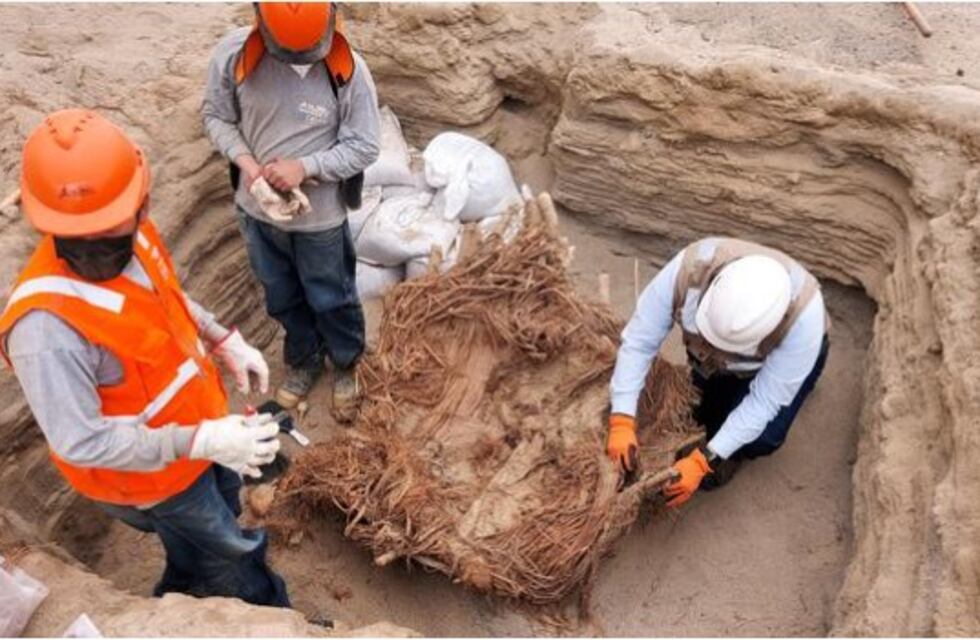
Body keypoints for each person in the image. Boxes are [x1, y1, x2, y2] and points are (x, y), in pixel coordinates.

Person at [0, 109, 290, 607]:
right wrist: (200, 439)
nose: (101, 248)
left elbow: (164, 296)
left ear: (140, 201)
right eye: (81, 235)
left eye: (111, 228)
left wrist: (223, 339)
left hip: (197, 434)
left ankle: (183, 588)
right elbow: (82, 442)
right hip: (154, 478)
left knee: (211, 527)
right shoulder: (46, 328)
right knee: (229, 554)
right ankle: (263, 615)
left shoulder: (138, 235)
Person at [202, 1, 381, 411]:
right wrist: (246, 163)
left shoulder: (348, 71)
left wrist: (306, 167)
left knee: (331, 297)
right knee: (281, 295)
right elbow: (216, 116)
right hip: (256, 212)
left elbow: (365, 145)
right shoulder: (234, 57)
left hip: (320, 220)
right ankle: (304, 359)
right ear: (259, 22)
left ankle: (347, 361)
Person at [607, 237, 830, 507]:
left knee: (764, 437)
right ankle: (721, 406)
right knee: (703, 415)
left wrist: (706, 460)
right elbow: (639, 342)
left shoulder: (803, 322)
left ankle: (735, 453)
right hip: (712, 362)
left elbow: (764, 402)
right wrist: (621, 418)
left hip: (772, 364)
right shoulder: (687, 272)